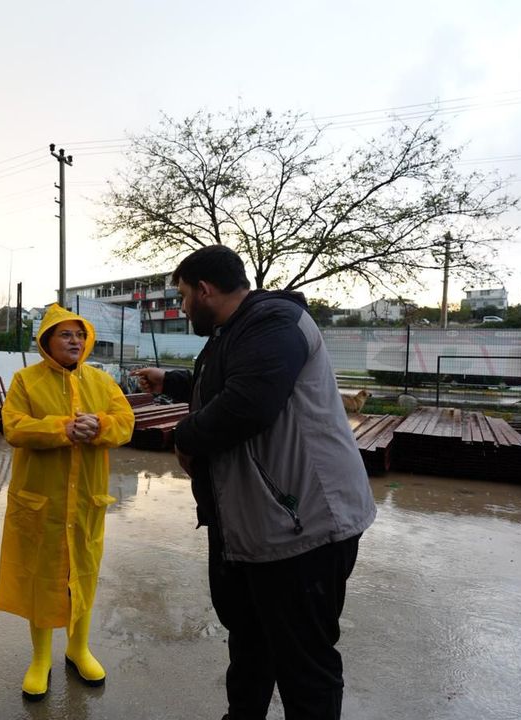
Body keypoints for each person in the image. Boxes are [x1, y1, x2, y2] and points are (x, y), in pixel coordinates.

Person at [130, 245, 375, 720]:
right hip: (255, 526)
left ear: (205, 289)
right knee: (250, 646)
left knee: (305, 663)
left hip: (302, 525)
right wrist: (173, 381)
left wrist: (184, 437)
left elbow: (247, 404)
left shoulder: (274, 322)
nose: (183, 308)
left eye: (183, 296)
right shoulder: (235, 330)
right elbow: (226, 379)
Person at [0, 304, 135, 702]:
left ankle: (78, 649)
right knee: (41, 577)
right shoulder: (26, 380)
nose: (75, 341)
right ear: (47, 341)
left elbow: (125, 422)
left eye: (80, 335)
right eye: (66, 334)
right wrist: (64, 428)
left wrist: (100, 425)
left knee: (83, 574)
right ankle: (40, 659)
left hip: (86, 501)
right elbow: (13, 426)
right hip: (41, 502)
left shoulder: (102, 381)